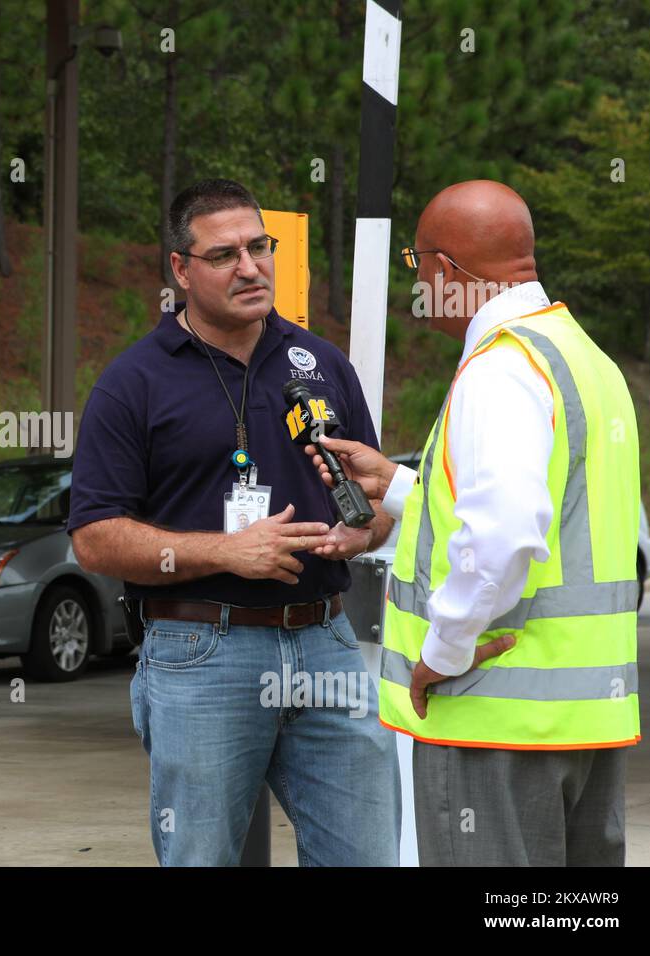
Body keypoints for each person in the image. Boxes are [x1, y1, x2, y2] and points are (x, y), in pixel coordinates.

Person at [305, 180, 640, 866]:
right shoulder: (585, 360)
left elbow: (507, 535)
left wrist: (443, 651)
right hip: (586, 725)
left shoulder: (500, 371)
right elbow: (540, 511)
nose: (417, 283)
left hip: (496, 719)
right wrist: (399, 486)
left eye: (416, 264)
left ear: (448, 273)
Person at [69, 178, 401, 866]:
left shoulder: (322, 363)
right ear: (181, 270)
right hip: (201, 650)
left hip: (326, 642)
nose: (250, 267)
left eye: (259, 247)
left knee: (368, 855)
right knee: (203, 857)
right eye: (224, 255)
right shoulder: (133, 382)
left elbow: (376, 511)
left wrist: (362, 532)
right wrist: (228, 552)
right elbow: (94, 536)